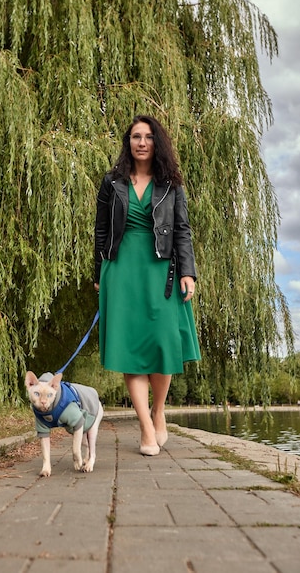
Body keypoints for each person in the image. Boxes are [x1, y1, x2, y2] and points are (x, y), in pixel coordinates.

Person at [94, 115, 201, 456]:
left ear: (158, 143)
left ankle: (159, 411)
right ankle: (145, 427)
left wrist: (188, 272)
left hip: (161, 269)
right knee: (131, 348)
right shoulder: (112, 182)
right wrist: (99, 274)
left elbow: (182, 230)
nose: (141, 142)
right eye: (135, 136)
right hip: (122, 270)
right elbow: (100, 231)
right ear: (128, 142)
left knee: (162, 345)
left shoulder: (171, 184)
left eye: (148, 137)